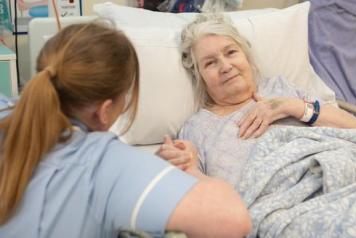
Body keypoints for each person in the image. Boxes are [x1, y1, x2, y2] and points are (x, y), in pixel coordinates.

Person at [0, 21, 252, 237]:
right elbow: (232, 220)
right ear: (104, 111)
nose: (225, 66)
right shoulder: (106, 165)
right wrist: (189, 170)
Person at [157, 13, 356, 186]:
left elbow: (352, 127)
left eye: (231, 52)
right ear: (199, 75)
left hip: (341, 170)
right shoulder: (197, 129)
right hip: (282, 205)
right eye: (210, 63)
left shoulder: (280, 88)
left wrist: (291, 106)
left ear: (246, 55)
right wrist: (180, 164)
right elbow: (196, 191)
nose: (226, 66)